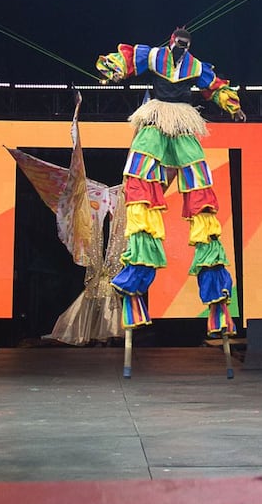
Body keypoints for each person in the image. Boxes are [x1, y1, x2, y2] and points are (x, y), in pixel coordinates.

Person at [96, 27, 243, 340]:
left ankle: (216, 302)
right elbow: (128, 60)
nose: (180, 48)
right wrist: (114, 71)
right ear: (171, 42)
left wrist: (233, 106)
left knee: (200, 186)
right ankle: (135, 288)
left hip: (183, 120)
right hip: (156, 116)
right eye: (178, 43)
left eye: (185, 45)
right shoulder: (154, 55)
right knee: (139, 177)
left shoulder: (196, 66)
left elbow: (214, 87)